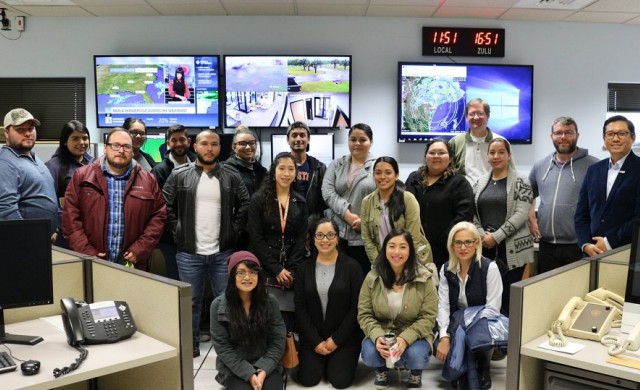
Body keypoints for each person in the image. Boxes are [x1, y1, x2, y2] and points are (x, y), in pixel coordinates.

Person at [163, 130, 250, 358]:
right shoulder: (179, 174)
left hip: (223, 251)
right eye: (204, 144)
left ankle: (226, 349)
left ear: (220, 148)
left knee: (226, 302)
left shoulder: (231, 175)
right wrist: (176, 229)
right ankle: (190, 346)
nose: (209, 148)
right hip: (189, 251)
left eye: (214, 144)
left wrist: (235, 229)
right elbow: (164, 205)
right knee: (190, 302)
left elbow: (245, 204)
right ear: (195, 146)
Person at [63, 128, 166, 271]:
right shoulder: (81, 177)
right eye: (115, 145)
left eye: (126, 146)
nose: (121, 150)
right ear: (105, 148)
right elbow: (70, 219)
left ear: (132, 150)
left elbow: (159, 217)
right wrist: (86, 252)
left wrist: (140, 249)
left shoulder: (148, 180)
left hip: (133, 265)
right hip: (91, 262)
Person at [358, 229, 438, 390]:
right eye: (391, 246)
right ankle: (381, 370)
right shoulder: (372, 277)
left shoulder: (424, 277)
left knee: (416, 356)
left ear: (410, 250)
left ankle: (415, 372)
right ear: (384, 249)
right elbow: (364, 313)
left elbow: (429, 317)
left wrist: (405, 339)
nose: (396, 252)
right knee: (370, 354)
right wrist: (377, 336)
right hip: (383, 331)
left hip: (415, 335)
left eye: (403, 247)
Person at [294, 218, 364, 389]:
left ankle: (333, 361)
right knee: (308, 380)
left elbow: (356, 309)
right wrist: (316, 341)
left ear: (338, 238)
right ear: (313, 239)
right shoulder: (303, 269)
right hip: (313, 339)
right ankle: (320, 359)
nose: (325, 240)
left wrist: (336, 339)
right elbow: (300, 308)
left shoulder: (352, 267)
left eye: (330, 235)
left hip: (344, 339)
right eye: (320, 235)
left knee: (340, 381)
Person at [435, 221, 503, 390]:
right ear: (452, 245)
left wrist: (465, 327)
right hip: (455, 322)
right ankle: (464, 370)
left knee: (475, 339)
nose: (463, 247)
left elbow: (493, 309)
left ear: (476, 243)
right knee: (440, 343)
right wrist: (444, 336)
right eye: (458, 242)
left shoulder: (490, 267)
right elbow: (442, 306)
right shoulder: (445, 269)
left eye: (468, 242)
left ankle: (483, 367)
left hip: (483, 321)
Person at [528, 117, 598, 273]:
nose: (563, 137)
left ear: (577, 136)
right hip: (546, 245)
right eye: (558, 133)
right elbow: (527, 195)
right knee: (548, 291)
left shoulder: (594, 166)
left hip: (578, 244)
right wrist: (531, 216)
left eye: (568, 133)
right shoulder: (540, 166)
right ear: (551, 136)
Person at [473, 138, 534, 316]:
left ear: (509, 155)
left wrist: (496, 237)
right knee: (488, 297)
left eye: (501, 152)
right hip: (485, 248)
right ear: (487, 156)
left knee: (507, 300)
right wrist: (482, 234)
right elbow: (473, 213)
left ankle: (507, 340)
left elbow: (521, 214)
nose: (496, 156)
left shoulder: (522, 181)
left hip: (512, 252)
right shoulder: (479, 182)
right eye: (492, 152)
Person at [248, 152, 307, 330]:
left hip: (291, 265)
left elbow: (301, 238)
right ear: (273, 171)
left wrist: (290, 269)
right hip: (264, 264)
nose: (286, 173)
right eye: (282, 168)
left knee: (287, 317)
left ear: (296, 174)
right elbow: (255, 237)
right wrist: (276, 269)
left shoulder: (300, 201)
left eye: (291, 169)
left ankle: (288, 352)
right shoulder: (258, 199)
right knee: (264, 314)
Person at [210, 250, 286, 390]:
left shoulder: (270, 302)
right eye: (241, 272)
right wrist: (250, 374)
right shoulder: (218, 305)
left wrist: (263, 371)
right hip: (233, 366)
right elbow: (223, 347)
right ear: (232, 275)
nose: (247, 277)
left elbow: (278, 340)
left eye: (252, 272)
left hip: (265, 362)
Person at [575, 115, 640, 257]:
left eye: (622, 134)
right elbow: (582, 213)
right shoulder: (594, 170)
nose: (615, 139)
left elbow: (638, 217)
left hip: (626, 252)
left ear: (633, 138)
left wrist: (609, 241)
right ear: (604, 139)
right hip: (591, 252)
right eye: (610, 134)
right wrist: (586, 244)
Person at [406, 139, 474, 270]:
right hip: (413, 250)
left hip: (446, 252)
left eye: (441, 153)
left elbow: (463, 216)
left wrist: (444, 241)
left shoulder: (459, 183)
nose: (436, 156)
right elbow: (402, 208)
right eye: (432, 153)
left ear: (450, 158)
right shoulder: (414, 178)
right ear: (426, 157)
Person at [322, 123, 376, 275]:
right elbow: (327, 192)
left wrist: (364, 222)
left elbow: (383, 200)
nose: (357, 143)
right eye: (353, 139)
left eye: (362, 140)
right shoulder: (336, 164)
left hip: (363, 236)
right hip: (336, 234)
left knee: (360, 280)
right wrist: (347, 215)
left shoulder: (378, 166)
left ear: (371, 142)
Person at [361, 156, 433, 266]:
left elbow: (413, 238)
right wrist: (378, 263)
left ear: (396, 175)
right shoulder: (367, 202)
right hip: (381, 263)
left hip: (410, 262)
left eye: (388, 172)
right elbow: (367, 240)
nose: (382, 177)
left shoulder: (408, 199)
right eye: (378, 173)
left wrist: (399, 266)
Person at [0, 108, 59, 240]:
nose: (27, 133)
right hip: (25, 243)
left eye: (31, 128)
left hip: (43, 239)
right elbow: (5, 209)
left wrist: (55, 229)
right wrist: (28, 239)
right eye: (20, 129)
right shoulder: (5, 162)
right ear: (6, 132)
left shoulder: (34, 158)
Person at [150, 124, 196, 280]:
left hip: (198, 236)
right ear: (168, 143)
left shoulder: (200, 165)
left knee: (195, 283)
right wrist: (175, 231)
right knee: (177, 281)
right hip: (171, 239)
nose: (178, 144)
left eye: (182, 139)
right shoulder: (159, 171)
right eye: (174, 140)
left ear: (189, 141)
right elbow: (159, 206)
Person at [448, 98, 513, 186]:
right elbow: (447, 173)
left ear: (488, 116)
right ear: (466, 117)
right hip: (464, 195)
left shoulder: (501, 142)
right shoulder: (455, 142)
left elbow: (511, 173)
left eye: (480, 113)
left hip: (493, 195)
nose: (476, 117)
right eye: (471, 114)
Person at [287, 121, 328, 225]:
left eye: (302, 135)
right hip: (287, 224)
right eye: (294, 135)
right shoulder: (279, 167)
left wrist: (312, 223)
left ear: (308, 139)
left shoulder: (319, 168)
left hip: (312, 225)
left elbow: (323, 203)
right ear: (288, 139)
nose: (298, 139)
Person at [222, 127, 268, 197]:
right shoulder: (225, 170)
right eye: (242, 143)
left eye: (252, 143)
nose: (248, 147)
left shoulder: (262, 171)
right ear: (234, 147)